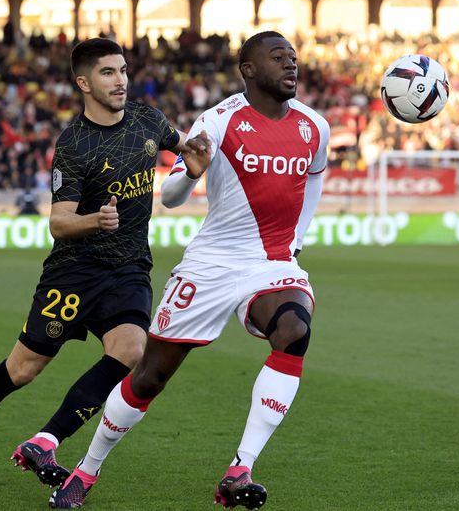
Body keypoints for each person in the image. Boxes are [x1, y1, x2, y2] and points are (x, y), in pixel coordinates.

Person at [50, 31, 329, 509]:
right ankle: (88, 468)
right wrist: (192, 173)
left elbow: (315, 181)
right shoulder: (219, 122)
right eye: (278, 57)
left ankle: (240, 470)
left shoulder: (314, 127)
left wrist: (296, 241)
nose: (291, 65)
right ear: (248, 70)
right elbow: (173, 197)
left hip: (273, 264)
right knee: (150, 377)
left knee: (294, 328)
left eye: (294, 58)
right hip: (212, 265)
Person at [0, 38, 203, 493]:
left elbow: (186, 147)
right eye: (107, 72)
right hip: (74, 272)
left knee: (129, 350)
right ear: (83, 82)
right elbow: (58, 221)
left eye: (122, 69)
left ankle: (45, 440)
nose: (120, 79)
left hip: (128, 268)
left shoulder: (149, 119)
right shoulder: (74, 144)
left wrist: (195, 161)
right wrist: (95, 219)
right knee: (22, 370)